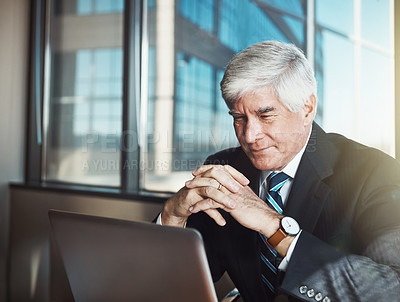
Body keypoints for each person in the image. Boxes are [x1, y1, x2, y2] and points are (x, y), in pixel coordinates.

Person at [157, 41, 400, 302]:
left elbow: (392, 288)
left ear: (307, 108)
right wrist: (172, 216)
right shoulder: (224, 169)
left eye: (265, 116)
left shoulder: (375, 172)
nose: (249, 135)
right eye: (238, 118)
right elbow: (174, 279)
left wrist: (275, 227)